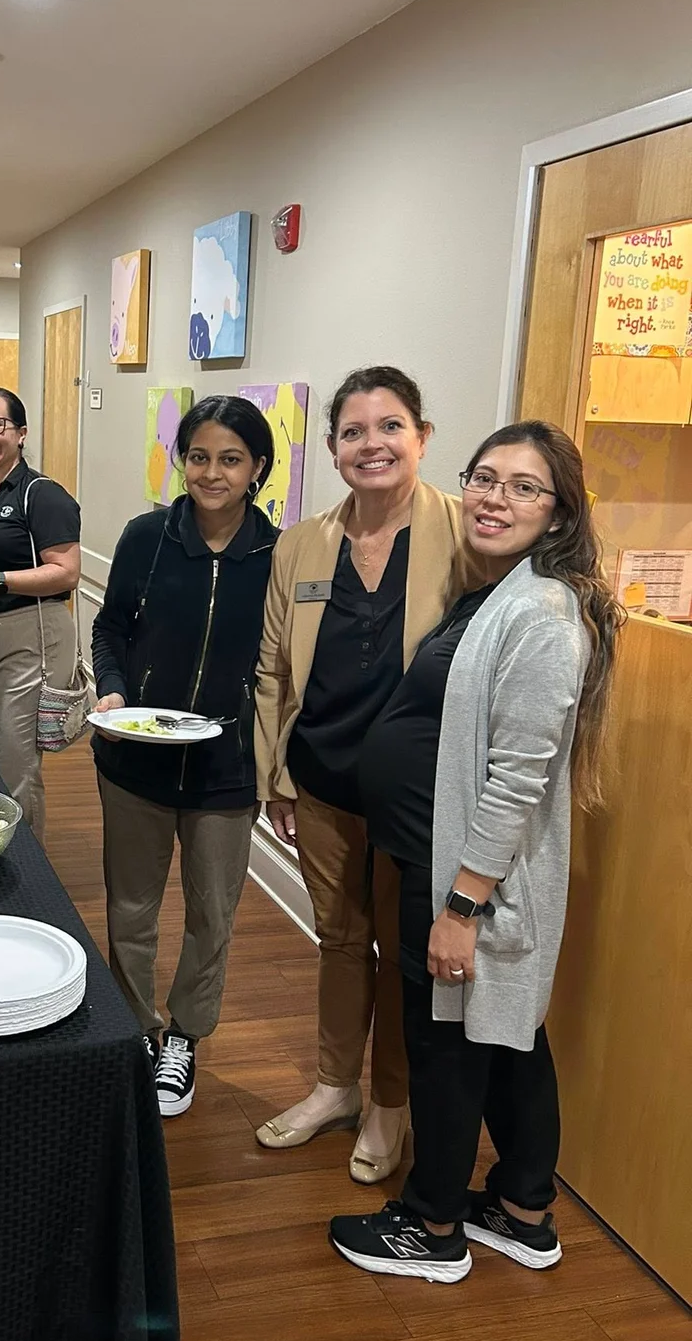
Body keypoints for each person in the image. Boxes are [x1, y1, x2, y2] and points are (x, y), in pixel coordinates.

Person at [329, 421, 622, 1283]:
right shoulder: (498, 590)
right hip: (444, 859)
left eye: (524, 487)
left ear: (559, 511)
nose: (495, 498)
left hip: (466, 875)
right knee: (511, 1040)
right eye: (485, 478)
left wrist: (461, 905)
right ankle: (525, 1210)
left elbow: (517, 781)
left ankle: (433, 1227)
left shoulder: (542, 615)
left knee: (447, 1047)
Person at [253, 367, 468, 1183]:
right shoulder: (302, 544)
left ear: (422, 437)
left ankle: (389, 1105)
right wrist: (276, 776)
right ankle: (335, 1087)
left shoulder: (465, 534)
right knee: (341, 942)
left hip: (418, 799)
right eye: (353, 432)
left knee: (404, 953)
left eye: (390, 427)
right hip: (322, 781)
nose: (371, 444)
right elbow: (274, 670)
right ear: (333, 447)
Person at [91, 397, 277, 1117]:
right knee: (131, 905)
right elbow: (110, 628)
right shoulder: (148, 537)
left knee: (213, 913)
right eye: (199, 457)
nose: (211, 473)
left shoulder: (277, 554)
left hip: (227, 766)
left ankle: (186, 1036)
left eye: (231, 459)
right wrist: (112, 690)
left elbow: (283, 662)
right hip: (135, 756)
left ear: (258, 468)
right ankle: (138, 1027)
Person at [0, 389, 81, 839]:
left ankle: (25, 865)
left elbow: (66, 573)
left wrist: (1, 580)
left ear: (21, 433)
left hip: (31, 635)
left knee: (14, 761)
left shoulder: (42, 495)